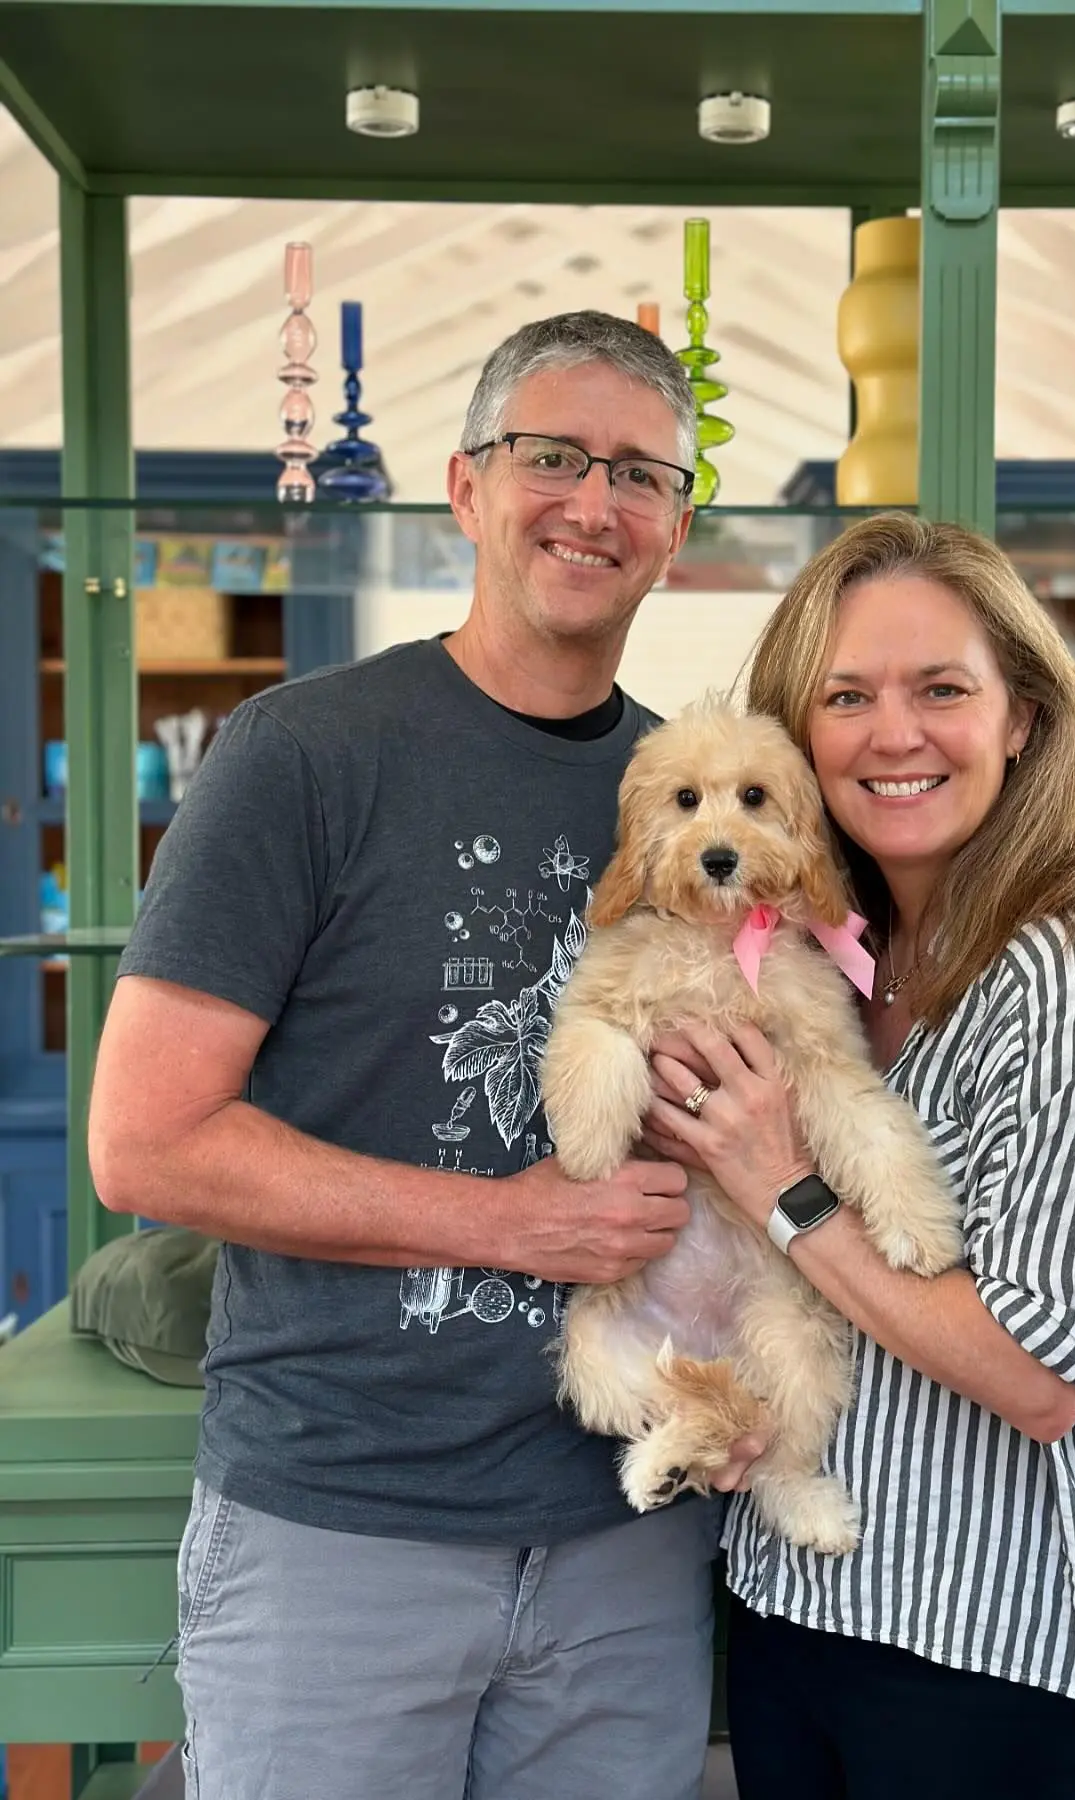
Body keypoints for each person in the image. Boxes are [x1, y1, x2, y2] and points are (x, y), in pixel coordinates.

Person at [87, 311, 728, 1800]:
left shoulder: (691, 795)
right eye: (553, 456)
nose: (594, 503)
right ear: (466, 485)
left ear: (677, 527)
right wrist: (510, 1223)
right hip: (340, 1534)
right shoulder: (302, 754)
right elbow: (145, 1142)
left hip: (628, 1539)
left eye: (639, 474)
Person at [643, 513, 1075, 1799]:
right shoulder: (831, 959)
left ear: (1021, 718)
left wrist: (783, 1189)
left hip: (995, 1649)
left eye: (942, 690)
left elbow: (1042, 1373)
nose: (894, 734)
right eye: (846, 697)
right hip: (801, 1599)